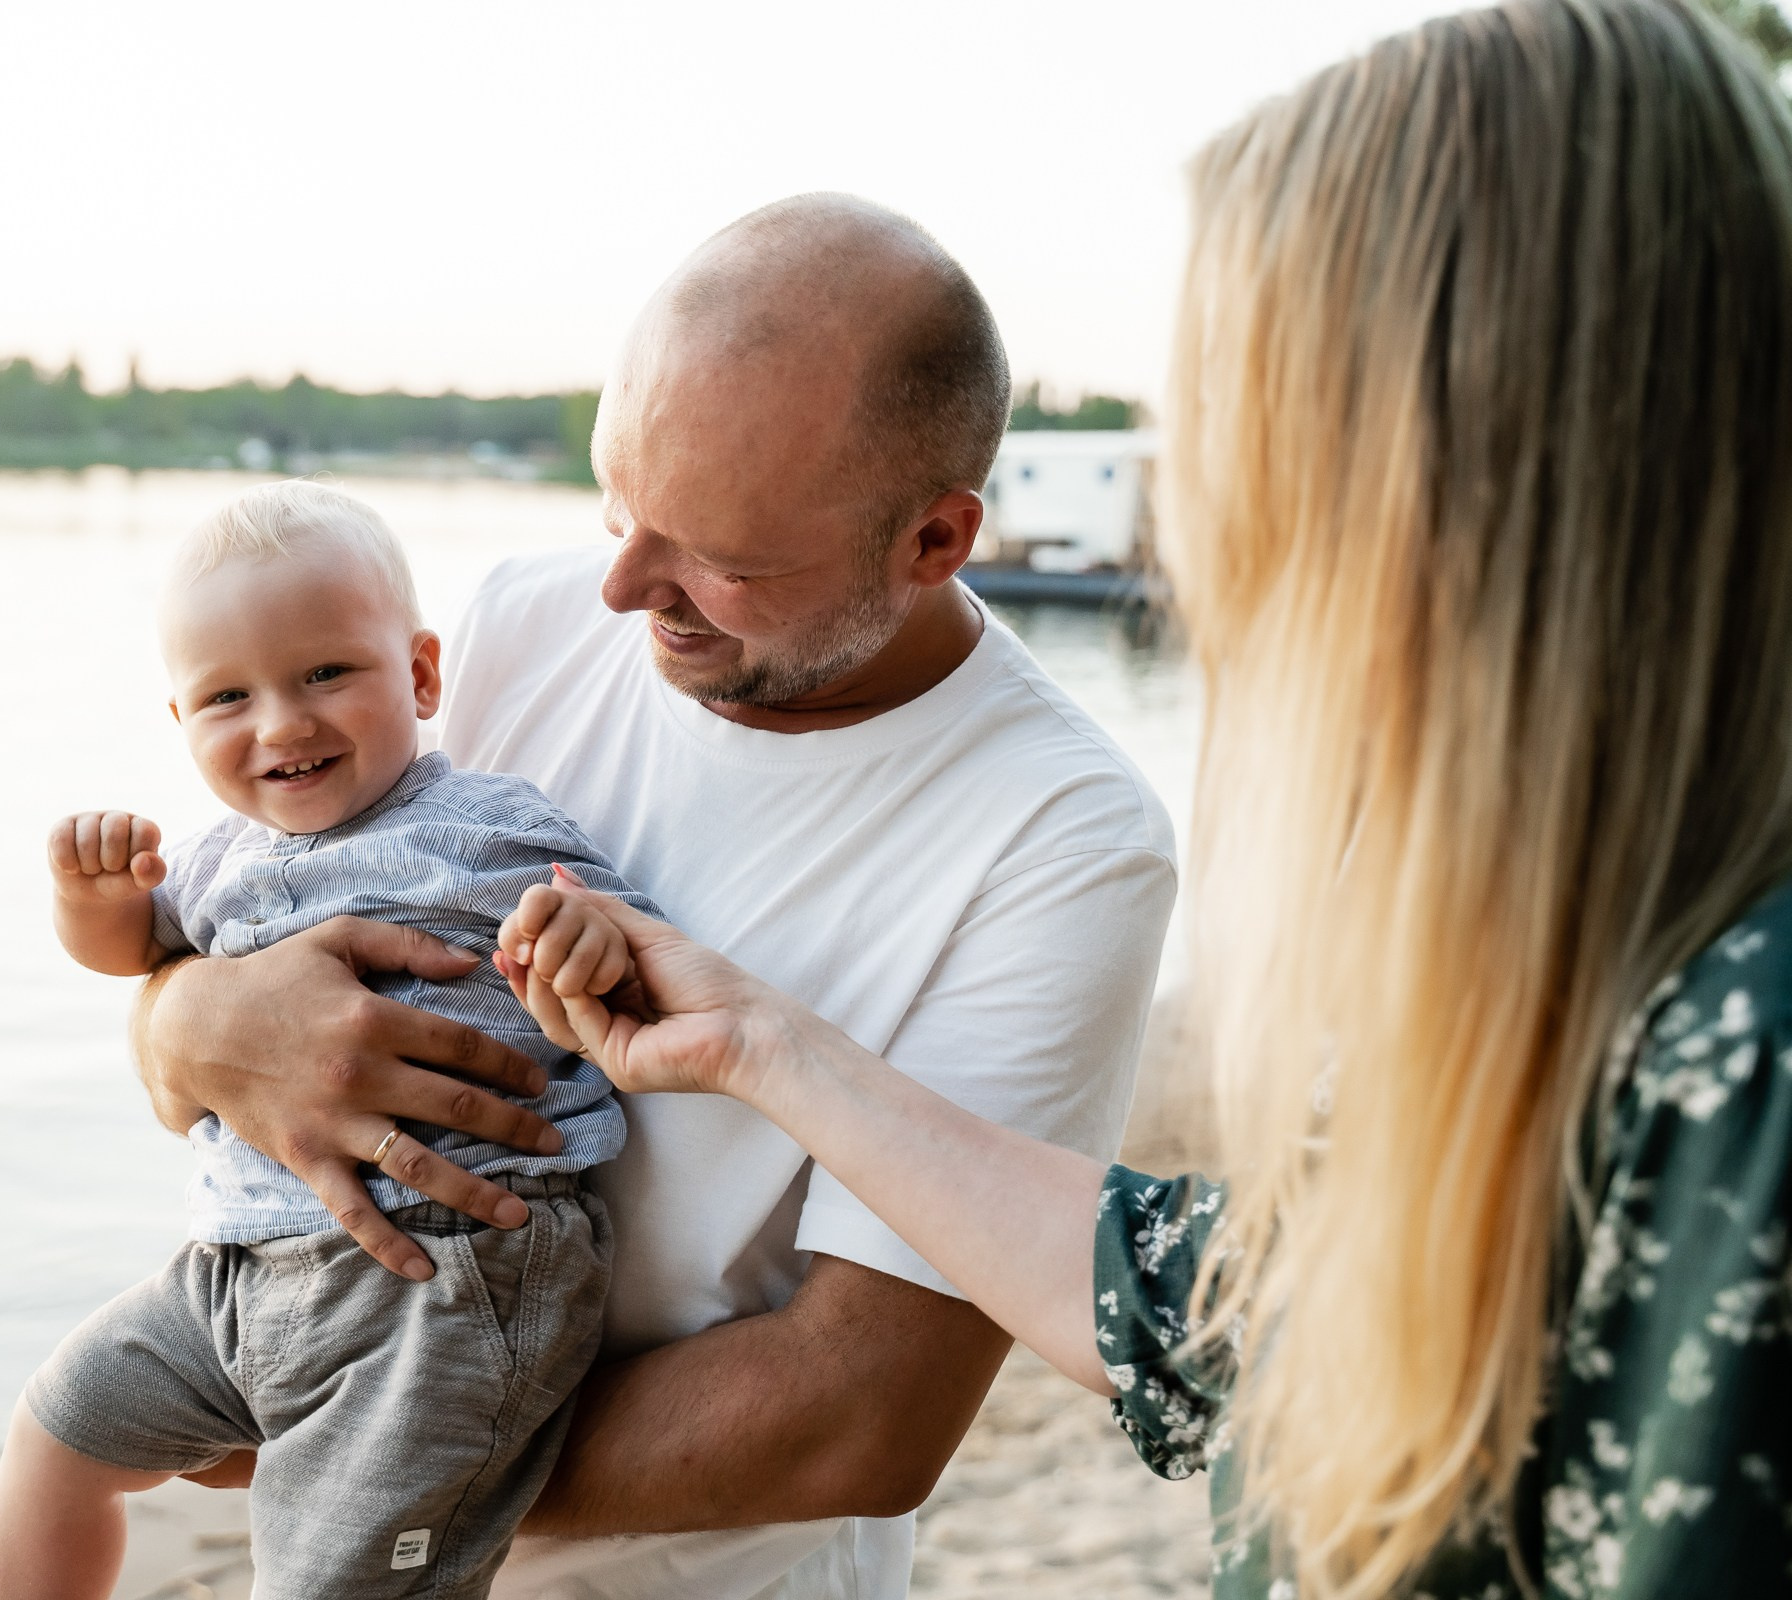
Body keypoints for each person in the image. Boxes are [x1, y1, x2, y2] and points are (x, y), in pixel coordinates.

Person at [484, 2, 1792, 1596]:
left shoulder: (1751, 1050)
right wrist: (761, 1047)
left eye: (1264, 445)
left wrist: (348, 1459)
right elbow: (1214, 1306)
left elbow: (867, 1411)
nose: (1209, 540)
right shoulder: (1565, 959)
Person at [129, 197, 1178, 1596]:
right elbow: (243, 936)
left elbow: (851, 1421)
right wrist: (185, 1023)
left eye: (721, 561)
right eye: (618, 505)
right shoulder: (518, 619)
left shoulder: (1064, 835)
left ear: (933, 541)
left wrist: (348, 1447)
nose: (625, 589)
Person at [0, 481, 659, 1600]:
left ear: (422, 675)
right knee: (59, 1427)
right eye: (227, 697)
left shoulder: (489, 824)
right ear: (182, 724)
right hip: (238, 1270)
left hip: (443, 1270)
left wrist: (585, 935)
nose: (282, 723)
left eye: (326, 673)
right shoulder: (208, 858)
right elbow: (129, 956)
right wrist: (86, 893)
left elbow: (633, 949)